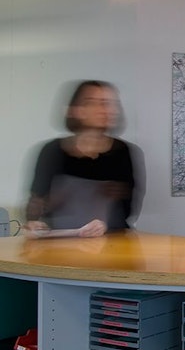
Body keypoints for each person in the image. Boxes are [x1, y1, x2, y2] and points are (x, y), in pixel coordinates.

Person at [25, 80, 143, 237]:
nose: (104, 109)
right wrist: (36, 219)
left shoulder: (123, 152)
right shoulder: (52, 152)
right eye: (93, 103)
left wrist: (112, 205)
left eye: (107, 103)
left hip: (111, 243)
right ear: (76, 110)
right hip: (62, 245)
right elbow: (34, 208)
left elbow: (128, 211)